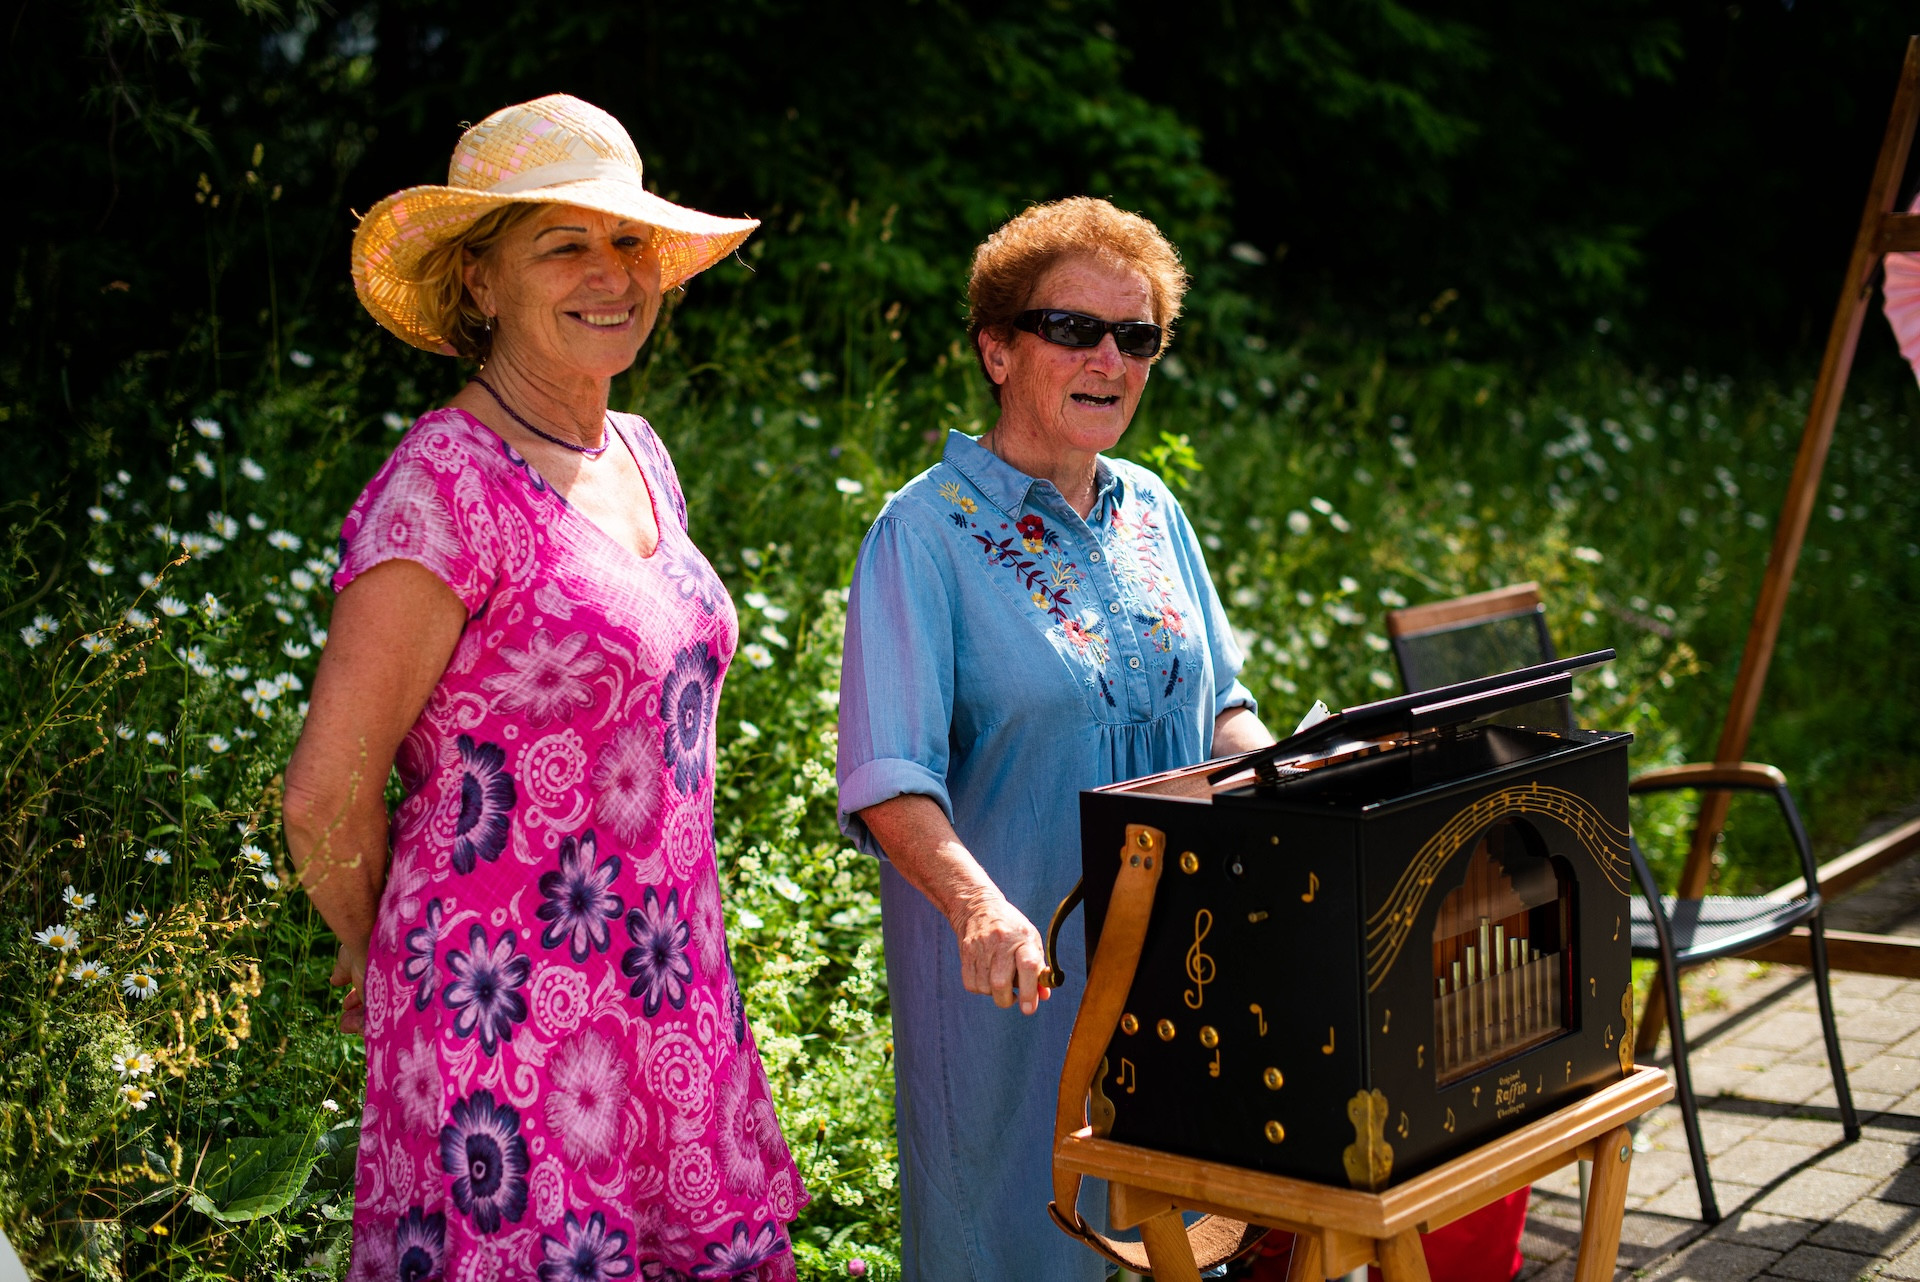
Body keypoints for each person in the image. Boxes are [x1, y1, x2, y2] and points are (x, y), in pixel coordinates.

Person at [284, 95, 805, 1282]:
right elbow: (323, 796)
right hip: (506, 1025)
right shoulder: (443, 485)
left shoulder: (641, 453)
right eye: (563, 245)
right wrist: (389, 955)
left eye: (627, 240)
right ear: (480, 281)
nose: (609, 274)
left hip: (667, 991)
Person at [835, 196, 1277, 1280]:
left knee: (1174, 1231)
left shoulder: (1153, 509)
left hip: (1175, 962)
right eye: (1074, 329)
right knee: (1019, 1234)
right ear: (997, 349)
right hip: (1016, 978)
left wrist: (1289, 776)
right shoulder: (922, 534)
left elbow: (1219, 702)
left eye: (1137, 336)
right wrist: (979, 908)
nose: (1109, 360)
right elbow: (889, 774)